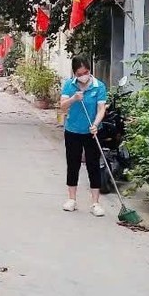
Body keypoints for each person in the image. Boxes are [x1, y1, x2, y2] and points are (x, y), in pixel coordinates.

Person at [59, 55, 107, 217]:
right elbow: (62, 106)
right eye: (79, 74)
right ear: (75, 73)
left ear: (89, 70)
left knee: (93, 166)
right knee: (73, 164)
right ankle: (71, 199)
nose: (83, 76)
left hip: (91, 132)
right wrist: (74, 98)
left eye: (85, 72)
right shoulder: (69, 85)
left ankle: (95, 203)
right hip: (72, 130)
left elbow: (101, 109)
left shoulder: (98, 86)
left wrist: (95, 124)